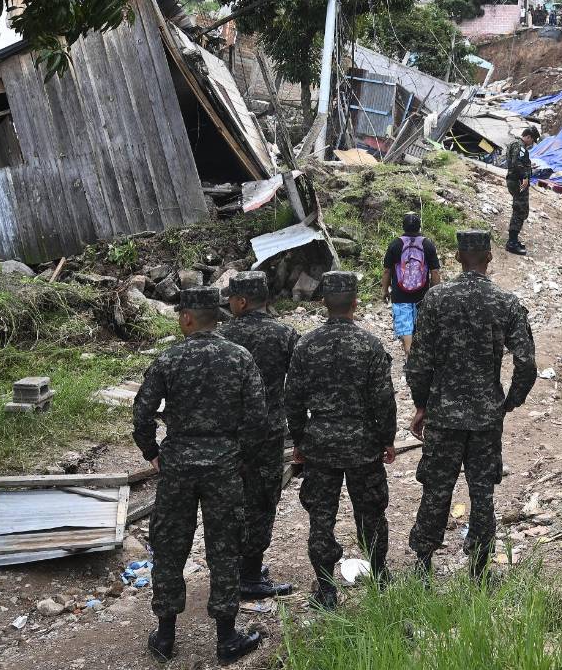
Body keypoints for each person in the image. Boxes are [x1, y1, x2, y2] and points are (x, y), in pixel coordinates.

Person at [132, 286, 267, 664]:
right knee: (224, 546)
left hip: (177, 465)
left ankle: (164, 636)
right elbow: (258, 418)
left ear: (187, 317)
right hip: (223, 463)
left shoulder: (169, 358)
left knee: (171, 545)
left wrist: (153, 453)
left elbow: (142, 413)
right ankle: (226, 638)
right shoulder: (239, 357)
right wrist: (241, 456)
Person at [406, 230, 537, 578]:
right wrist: (510, 401)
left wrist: (421, 404)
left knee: (436, 489)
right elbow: (526, 361)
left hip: (443, 414)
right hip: (485, 416)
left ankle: (423, 564)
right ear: (490, 257)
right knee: (482, 492)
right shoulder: (505, 302)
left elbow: (418, 362)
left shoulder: (436, 300)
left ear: (459, 256)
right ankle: (479, 569)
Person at [286, 271, 397, 610]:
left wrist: (301, 441)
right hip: (363, 445)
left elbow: (292, 400)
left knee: (321, 519)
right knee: (372, 514)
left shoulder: (306, 345)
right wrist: (386, 439)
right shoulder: (370, 345)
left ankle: (326, 591)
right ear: (355, 303)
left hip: (320, 445)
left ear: (323, 304)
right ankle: (379, 577)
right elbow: (384, 399)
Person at [219, 272, 298, 601]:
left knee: (229, 501)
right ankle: (249, 573)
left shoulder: (222, 335)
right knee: (263, 500)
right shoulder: (285, 334)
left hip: (228, 434)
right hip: (267, 432)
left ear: (240, 301)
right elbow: (297, 385)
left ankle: (234, 570)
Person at [381, 212, 442, 355]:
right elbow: (435, 272)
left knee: (405, 326)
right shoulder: (427, 244)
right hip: (422, 295)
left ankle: (409, 354)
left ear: (403, 226)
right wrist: (435, 292)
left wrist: (384, 290)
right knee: (421, 326)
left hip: (400, 294)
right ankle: (420, 357)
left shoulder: (395, 244)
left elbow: (386, 271)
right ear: (419, 226)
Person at [505, 128, 539, 255]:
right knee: (520, 210)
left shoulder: (514, 144)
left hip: (514, 180)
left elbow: (516, 162)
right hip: (518, 181)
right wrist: (525, 176)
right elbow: (516, 163)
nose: (531, 144)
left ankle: (513, 240)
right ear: (528, 137)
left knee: (519, 209)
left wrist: (529, 167)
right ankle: (512, 243)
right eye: (532, 140)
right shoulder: (520, 147)